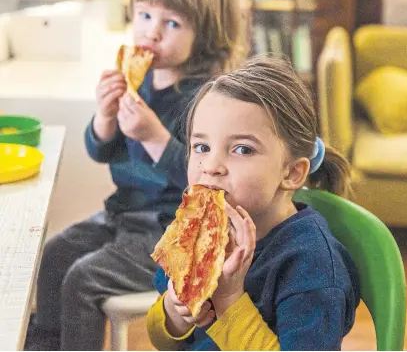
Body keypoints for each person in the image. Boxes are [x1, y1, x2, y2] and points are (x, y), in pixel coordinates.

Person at [24, 0, 246, 350]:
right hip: (122, 212)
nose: (152, 31)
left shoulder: (207, 101)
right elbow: (100, 151)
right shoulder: (137, 81)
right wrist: (105, 118)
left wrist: (155, 136)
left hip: (170, 231)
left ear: (205, 36)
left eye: (172, 23)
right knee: (55, 253)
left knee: (83, 278)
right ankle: (45, 344)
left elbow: (207, 180)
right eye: (144, 15)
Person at [147, 55, 360, 351]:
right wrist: (174, 311)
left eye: (242, 149)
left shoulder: (314, 268)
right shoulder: (198, 236)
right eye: (202, 147)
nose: (212, 166)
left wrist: (228, 300)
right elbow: (163, 341)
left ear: (292, 172)